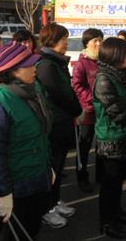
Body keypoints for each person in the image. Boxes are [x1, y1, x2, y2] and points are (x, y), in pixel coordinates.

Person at [0, 42, 55, 240]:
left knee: (32, 229)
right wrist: (3, 192)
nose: (34, 68)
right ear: (12, 71)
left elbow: (41, 135)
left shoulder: (34, 92)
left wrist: (48, 166)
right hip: (17, 185)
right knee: (14, 234)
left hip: (38, 176)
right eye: (28, 65)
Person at [93, 37, 126, 239]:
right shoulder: (104, 79)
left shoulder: (122, 74)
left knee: (118, 181)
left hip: (125, 134)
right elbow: (116, 110)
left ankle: (116, 213)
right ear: (115, 54)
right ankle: (107, 222)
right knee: (109, 183)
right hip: (110, 138)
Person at [36, 23, 82, 229]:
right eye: (64, 39)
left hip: (63, 121)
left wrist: (74, 109)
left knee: (59, 166)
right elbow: (58, 95)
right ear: (53, 41)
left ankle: (55, 201)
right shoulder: (46, 64)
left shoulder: (57, 62)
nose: (66, 42)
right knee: (51, 168)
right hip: (54, 124)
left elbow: (67, 91)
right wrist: (76, 109)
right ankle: (46, 209)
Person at [71, 28, 104, 192]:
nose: (98, 43)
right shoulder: (82, 62)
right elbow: (77, 85)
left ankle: (100, 175)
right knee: (83, 146)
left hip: (102, 110)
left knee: (102, 145)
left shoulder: (103, 60)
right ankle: (82, 176)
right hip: (87, 110)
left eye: (100, 40)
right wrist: (93, 99)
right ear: (86, 43)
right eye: (94, 41)